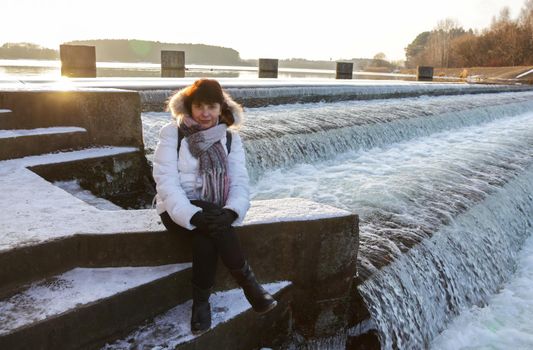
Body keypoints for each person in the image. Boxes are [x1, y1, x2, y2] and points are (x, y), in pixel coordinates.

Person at [152, 79, 277, 335]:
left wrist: (232, 211)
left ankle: (201, 304)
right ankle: (251, 288)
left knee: (206, 238)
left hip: (215, 209)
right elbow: (166, 181)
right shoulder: (172, 133)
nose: (205, 113)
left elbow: (240, 181)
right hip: (176, 209)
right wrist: (191, 215)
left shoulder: (230, 139)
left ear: (221, 108)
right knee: (208, 227)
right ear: (189, 107)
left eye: (211, 106)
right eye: (199, 106)